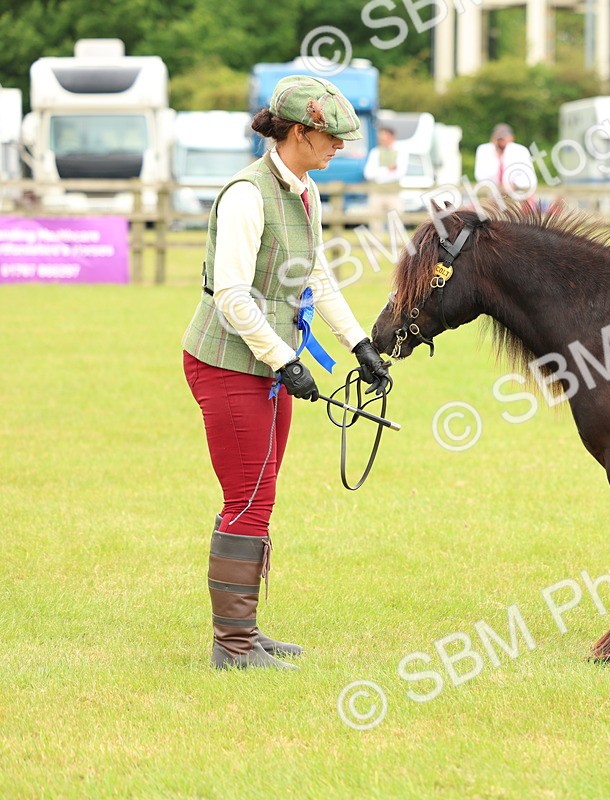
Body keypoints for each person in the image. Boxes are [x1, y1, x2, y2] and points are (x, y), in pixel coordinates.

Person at [181, 75, 391, 670]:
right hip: (227, 363)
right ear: (299, 132)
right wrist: (286, 360)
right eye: (332, 137)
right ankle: (233, 647)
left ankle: (246, 630)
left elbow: (314, 274)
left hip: (268, 364)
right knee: (248, 496)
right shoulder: (247, 195)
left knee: (261, 492)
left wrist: (358, 344)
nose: (341, 148)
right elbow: (231, 295)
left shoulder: (303, 188)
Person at [474, 123, 537, 206]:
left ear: (512, 137)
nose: (500, 142)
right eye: (498, 139)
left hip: (516, 192)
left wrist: (511, 186)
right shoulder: (484, 150)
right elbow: (480, 177)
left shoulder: (520, 151)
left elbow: (529, 180)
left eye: (503, 138)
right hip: (492, 193)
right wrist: (497, 156)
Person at [364, 124, 404, 234]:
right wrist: (387, 169)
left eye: (385, 137)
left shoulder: (400, 152)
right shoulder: (375, 152)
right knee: (375, 225)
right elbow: (368, 173)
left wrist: (380, 173)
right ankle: (375, 250)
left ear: (392, 137)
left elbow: (399, 173)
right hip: (376, 193)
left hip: (394, 194)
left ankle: (399, 250)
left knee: (396, 225)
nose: (382, 140)